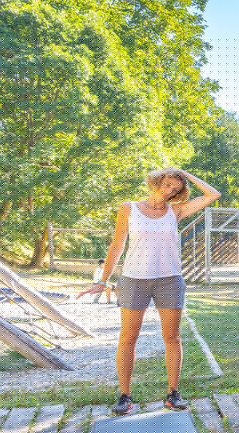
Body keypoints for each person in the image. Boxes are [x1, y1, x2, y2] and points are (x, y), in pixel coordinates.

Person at [80, 167, 221, 415]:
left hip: (169, 280)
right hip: (134, 280)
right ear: (157, 181)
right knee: (128, 338)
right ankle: (125, 395)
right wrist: (103, 280)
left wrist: (186, 175)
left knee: (173, 338)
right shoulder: (129, 208)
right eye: (168, 184)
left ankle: (173, 393)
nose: (170, 190)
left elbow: (213, 194)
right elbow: (117, 244)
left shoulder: (175, 211)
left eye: (176, 189)